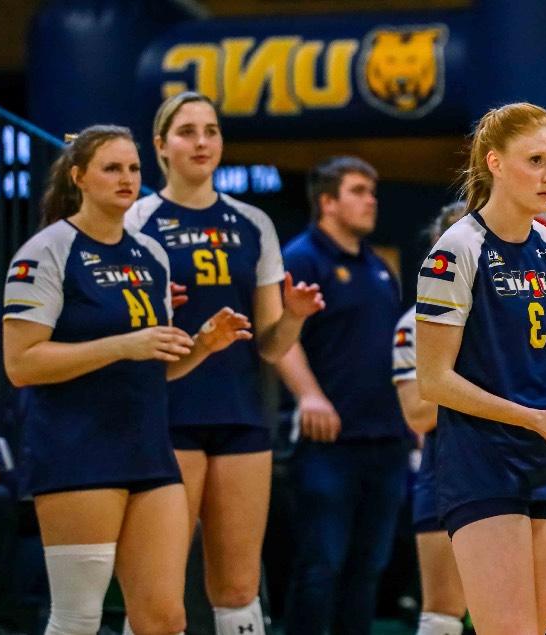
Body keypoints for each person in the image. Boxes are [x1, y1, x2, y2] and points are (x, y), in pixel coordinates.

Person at [2, 125, 251, 635]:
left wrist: (201, 343)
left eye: (133, 168)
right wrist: (122, 345)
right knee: (78, 617)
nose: (127, 178)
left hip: (147, 448)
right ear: (79, 177)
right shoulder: (45, 252)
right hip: (77, 449)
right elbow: (21, 364)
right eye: (111, 168)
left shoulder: (149, 254)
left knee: (164, 618)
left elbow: (155, 365)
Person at [125, 92, 323, 635]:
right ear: (161, 145)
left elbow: (269, 344)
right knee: (159, 594)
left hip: (239, 415)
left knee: (238, 588)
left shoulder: (252, 221)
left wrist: (296, 317)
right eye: (188, 131)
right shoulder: (137, 218)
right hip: (167, 414)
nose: (203, 142)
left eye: (211, 130)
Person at [416, 101, 546, 635]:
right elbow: (433, 380)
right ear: (494, 162)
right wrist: (531, 418)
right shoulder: (456, 250)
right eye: (535, 160)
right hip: (483, 460)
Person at [276, 155, 406, 635]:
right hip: (326, 443)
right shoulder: (301, 258)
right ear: (326, 202)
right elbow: (278, 337)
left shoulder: (379, 268)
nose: (371, 200)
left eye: (373, 191)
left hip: (386, 440)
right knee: (320, 568)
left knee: (367, 571)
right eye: (357, 191)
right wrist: (310, 395)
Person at [393, 201, 471, 635]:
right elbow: (418, 414)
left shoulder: (518, 317)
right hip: (447, 475)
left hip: (517, 469)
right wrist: (494, 392)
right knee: (444, 613)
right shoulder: (415, 322)